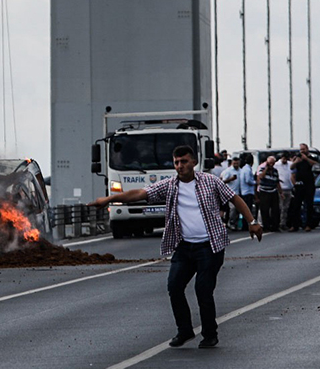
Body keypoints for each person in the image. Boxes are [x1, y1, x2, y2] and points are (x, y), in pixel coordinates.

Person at [88, 145, 263, 349]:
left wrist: (252, 222)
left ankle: (209, 334)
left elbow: (234, 198)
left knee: (203, 290)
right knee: (174, 286)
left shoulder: (210, 181)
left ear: (194, 162)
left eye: (184, 162)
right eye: (177, 162)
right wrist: (110, 199)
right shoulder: (169, 185)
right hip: (184, 247)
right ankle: (185, 330)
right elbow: (139, 193)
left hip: (210, 246)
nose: (180, 166)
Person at [287, 143, 318, 232]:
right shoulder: (298, 159)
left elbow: (316, 165)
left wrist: (306, 159)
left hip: (309, 184)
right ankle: (295, 225)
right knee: (296, 205)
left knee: (309, 205)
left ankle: (308, 224)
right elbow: (291, 167)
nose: (302, 151)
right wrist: (296, 162)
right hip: (299, 184)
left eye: (303, 149)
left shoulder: (311, 158)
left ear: (307, 149)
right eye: (301, 150)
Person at [256, 156, 283, 232]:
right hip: (264, 191)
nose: (271, 164)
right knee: (265, 209)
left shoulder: (275, 171)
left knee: (275, 209)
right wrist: (266, 168)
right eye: (270, 163)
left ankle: (275, 226)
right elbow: (260, 177)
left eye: (272, 163)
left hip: (273, 191)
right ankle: (266, 226)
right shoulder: (262, 169)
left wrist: (281, 192)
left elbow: (277, 182)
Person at [220, 157, 242, 230]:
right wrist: (231, 179)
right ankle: (231, 222)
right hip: (230, 193)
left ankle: (235, 223)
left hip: (238, 192)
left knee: (238, 209)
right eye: (234, 163)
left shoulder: (240, 170)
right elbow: (222, 182)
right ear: (232, 163)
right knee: (233, 208)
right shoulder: (228, 171)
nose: (236, 164)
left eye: (237, 163)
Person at [275, 152, 293, 231]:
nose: (284, 160)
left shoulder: (290, 164)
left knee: (286, 207)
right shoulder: (277, 165)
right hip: (281, 188)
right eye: (283, 158)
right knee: (280, 207)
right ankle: (279, 223)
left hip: (289, 188)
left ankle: (284, 223)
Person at [240, 154, 256, 231]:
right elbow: (248, 180)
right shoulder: (247, 169)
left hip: (244, 191)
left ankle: (245, 225)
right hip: (247, 192)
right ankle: (245, 225)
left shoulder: (244, 168)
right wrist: (255, 182)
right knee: (248, 209)